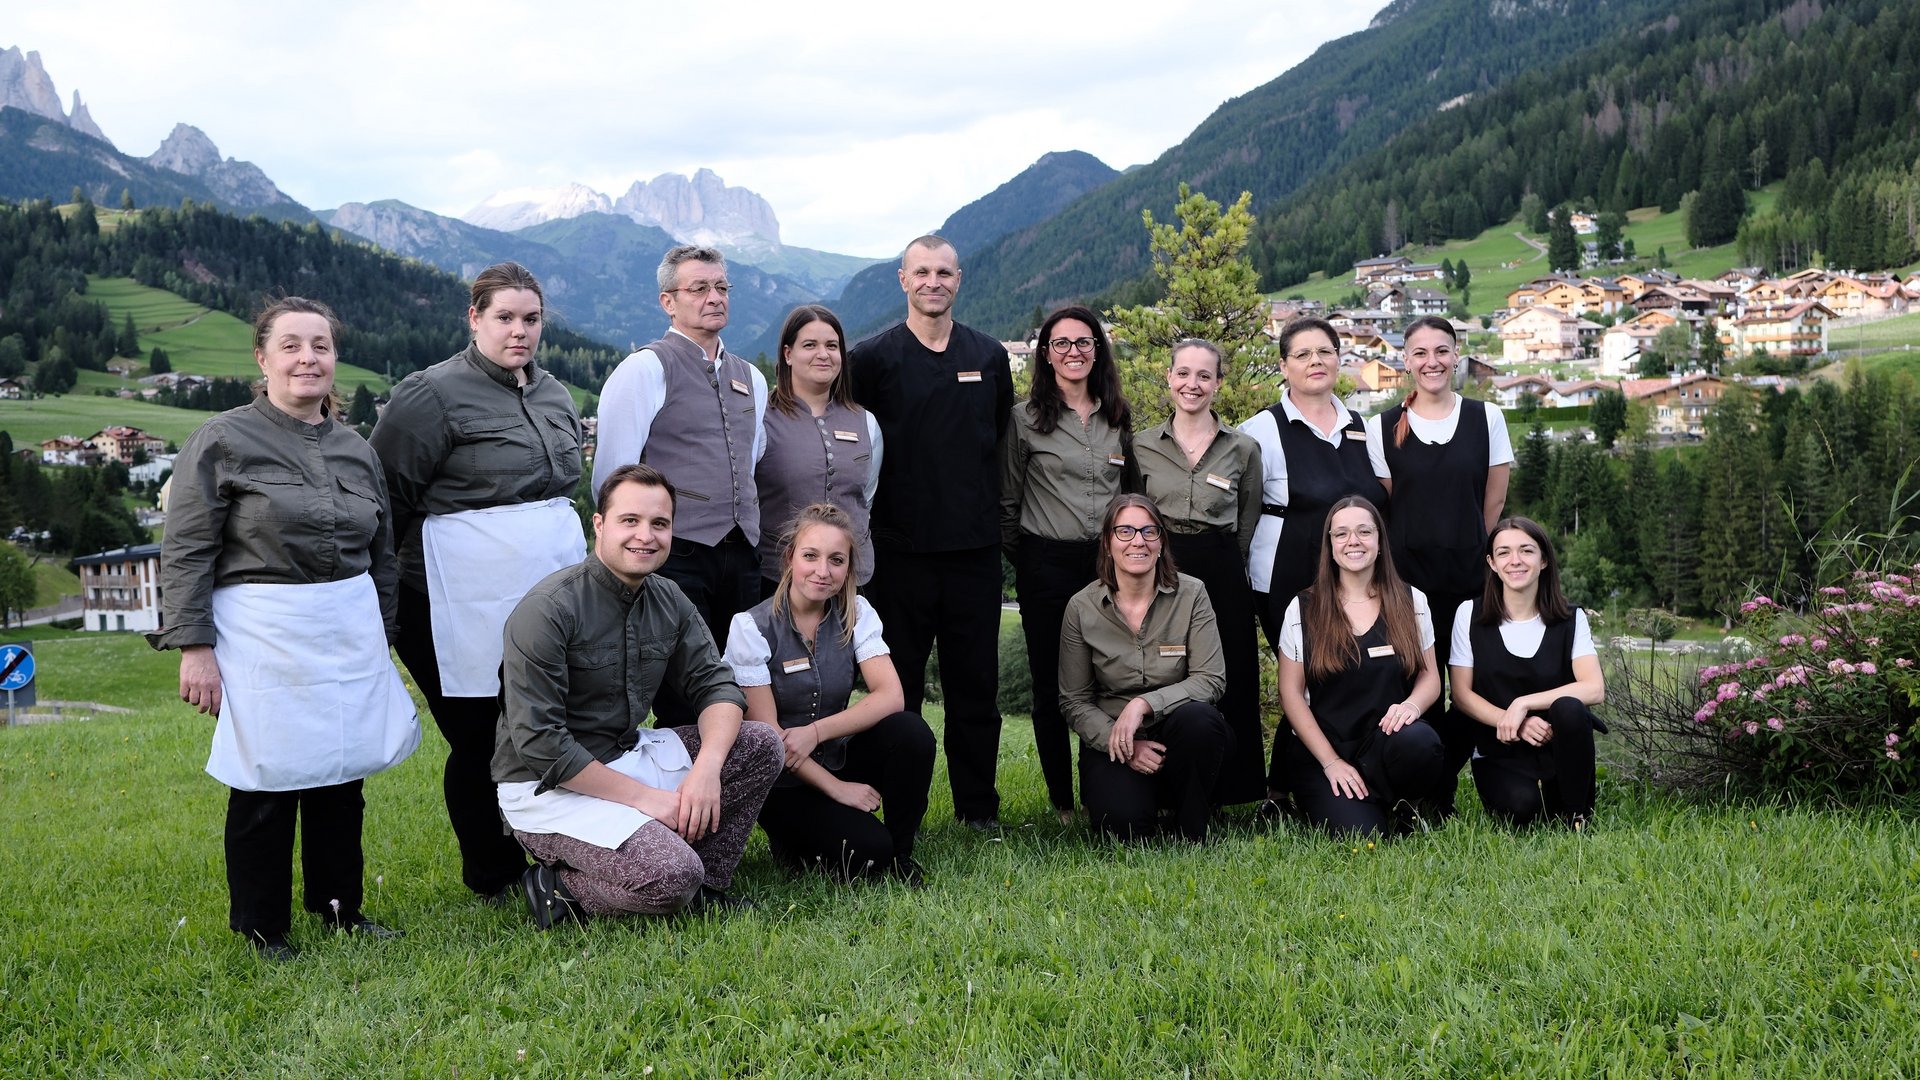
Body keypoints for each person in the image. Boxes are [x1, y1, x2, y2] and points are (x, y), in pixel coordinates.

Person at [150, 297, 418, 960]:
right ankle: (262, 926)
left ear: (335, 358)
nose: (308, 358)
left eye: (321, 346)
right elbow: (186, 549)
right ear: (262, 358)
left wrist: (381, 637)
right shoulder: (222, 440)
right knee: (266, 777)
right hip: (261, 629)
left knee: (342, 772)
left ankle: (339, 909)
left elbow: (383, 553)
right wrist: (194, 648)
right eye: (292, 345)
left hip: (347, 624)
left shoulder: (357, 449)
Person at [370, 261, 586, 902]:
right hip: (445, 597)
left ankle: (549, 844)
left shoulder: (554, 394)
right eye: (505, 318)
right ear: (474, 318)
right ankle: (490, 872)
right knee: (477, 733)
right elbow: (387, 504)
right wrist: (383, 606)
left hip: (543, 591)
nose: (519, 331)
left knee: (542, 721)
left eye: (531, 319)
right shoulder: (429, 394)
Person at [493, 464, 783, 927]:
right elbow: (541, 744)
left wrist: (707, 770)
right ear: (600, 525)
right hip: (547, 786)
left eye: (660, 524)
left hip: (626, 756)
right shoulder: (547, 610)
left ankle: (705, 886)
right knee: (670, 875)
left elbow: (717, 686)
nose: (645, 536)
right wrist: (646, 800)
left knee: (761, 744)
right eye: (630, 520)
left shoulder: (668, 598)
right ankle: (561, 889)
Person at [848, 235, 1014, 830]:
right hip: (898, 554)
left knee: (977, 693)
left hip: (974, 553)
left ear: (959, 279)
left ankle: (978, 810)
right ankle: (899, 812)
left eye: (944, 272)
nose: (933, 282)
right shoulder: (870, 359)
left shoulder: (990, 356)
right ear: (903, 280)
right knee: (900, 692)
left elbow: (996, 440)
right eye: (922, 272)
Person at [722, 504, 935, 881]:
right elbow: (771, 738)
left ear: (848, 569)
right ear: (789, 558)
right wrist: (839, 790)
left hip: (833, 756)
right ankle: (790, 842)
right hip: (781, 782)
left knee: (911, 732)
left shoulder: (856, 612)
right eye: (810, 556)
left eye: (836, 560)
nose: (823, 571)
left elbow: (890, 696)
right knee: (869, 854)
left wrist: (816, 732)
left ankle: (903, 855)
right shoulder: (750, 627)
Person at [1239, 316, 1389, 805]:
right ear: (1283, 366)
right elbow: (1240, 508)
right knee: (1305, 684)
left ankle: (1340, 779)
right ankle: (1283, 791)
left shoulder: (1362, 428)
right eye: (1302, 355)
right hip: (1286, 578)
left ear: (1339, 359)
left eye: (1324, 352)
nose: (1315, 362)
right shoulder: (1260, 430)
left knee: (1345, 679)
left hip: (1353, 580)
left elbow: (1385, 497)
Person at [1366, 315, 1512, 814]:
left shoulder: (1486, 417)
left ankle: (1444, 778)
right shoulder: (1380, 427)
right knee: (1414, 689)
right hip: (1407, 584)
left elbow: (1492, 505)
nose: (1432, 362)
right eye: (1420, 353)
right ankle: (1421, 791)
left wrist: (1471, 547)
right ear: (1405, 361)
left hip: (1472, 579)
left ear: (1457, 356)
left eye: (1442, 351)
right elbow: (1384, 510)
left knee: (1472, 690)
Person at [593, 244, 768, 655]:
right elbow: (612, 475)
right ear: (668, 302)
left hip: (743, 553)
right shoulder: (645, 368)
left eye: (722, 286)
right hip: (677, 552)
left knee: (744, 670)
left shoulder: (753, 378)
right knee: (683, 680)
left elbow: (752, 457)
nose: (715, 297)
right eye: (700, 288)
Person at [1001, 305, 1135, 823]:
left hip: (1109, 567)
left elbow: (1129, 495)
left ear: (1097, 350)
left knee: (1110, 678)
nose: (1073, 352)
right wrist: (1034, 558)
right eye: (1062, 344)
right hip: (1046, 564)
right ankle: (1063, 802)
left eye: (1084, 342)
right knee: (1052, 684)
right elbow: (1007, 505)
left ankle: (1108, 787)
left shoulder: (1116, 416)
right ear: (1046, 354)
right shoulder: (1024, 418)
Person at [1135, 337, 1266, 807]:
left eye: (1204, 376)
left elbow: (1247, 520)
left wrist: (1228, 564)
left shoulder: (1243, 448)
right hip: (1161, 567)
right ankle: (1162, 787)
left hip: (1221, 570)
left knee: (1230, 675)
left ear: (1218, 384)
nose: (1193, 384)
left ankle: (1232, 790)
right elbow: (1132, 513)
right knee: (1165, 672)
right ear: (1169, 378)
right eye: (1184, 374)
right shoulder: (1142, 446)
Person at [1058, 494, 1231, 843]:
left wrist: (1144, 704)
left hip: (1180, 736)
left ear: (1161, 542)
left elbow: (1211, 679)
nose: (1138, 540)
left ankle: (1190, 827)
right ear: (1108, 543)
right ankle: (1145, 808)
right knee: (1123, 831)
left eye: (1149, 531)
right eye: (1125, 531)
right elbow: (1074, 701)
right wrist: (1122, 742)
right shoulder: (1081, 608)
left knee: (1201, 721)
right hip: (1115, 742)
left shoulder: (1192, 594)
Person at [1276, 496, 1446, 837]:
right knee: (1363, 835)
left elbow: (1430, 676)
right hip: (1325, 750)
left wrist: (1411, 705)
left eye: (1364, 531)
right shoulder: (1303, 607)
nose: (1353, 541)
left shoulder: (1412, 601)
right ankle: (1361, 805)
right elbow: (1290, 694)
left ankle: (1401, 801)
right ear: (1330, 546)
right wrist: (1331, 763)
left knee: (1421, 742)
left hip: (1385, 744)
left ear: (1380, 541)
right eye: (1341, 534)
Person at [1448, 517, 1607, 828]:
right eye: (1504, 553)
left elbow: (1594, 689)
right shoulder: (1470, 614)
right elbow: (1462, 695)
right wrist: (1513, 721)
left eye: (1526, 551)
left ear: (1543, 560)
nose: (1515, 561)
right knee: (1522, 811)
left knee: (1570, 707)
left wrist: (1524, 703)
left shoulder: (1571, 618)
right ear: (1492, 563)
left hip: (1555, 745)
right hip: (1500, 747)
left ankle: (1578, 814)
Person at [754, 306, 882, 595]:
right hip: (777, 579)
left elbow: (866, 495)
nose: (823, 354)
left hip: (850, 581)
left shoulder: (866, 422)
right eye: (810, 345)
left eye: (832, 346)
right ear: (788, 354)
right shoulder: (761, 420)